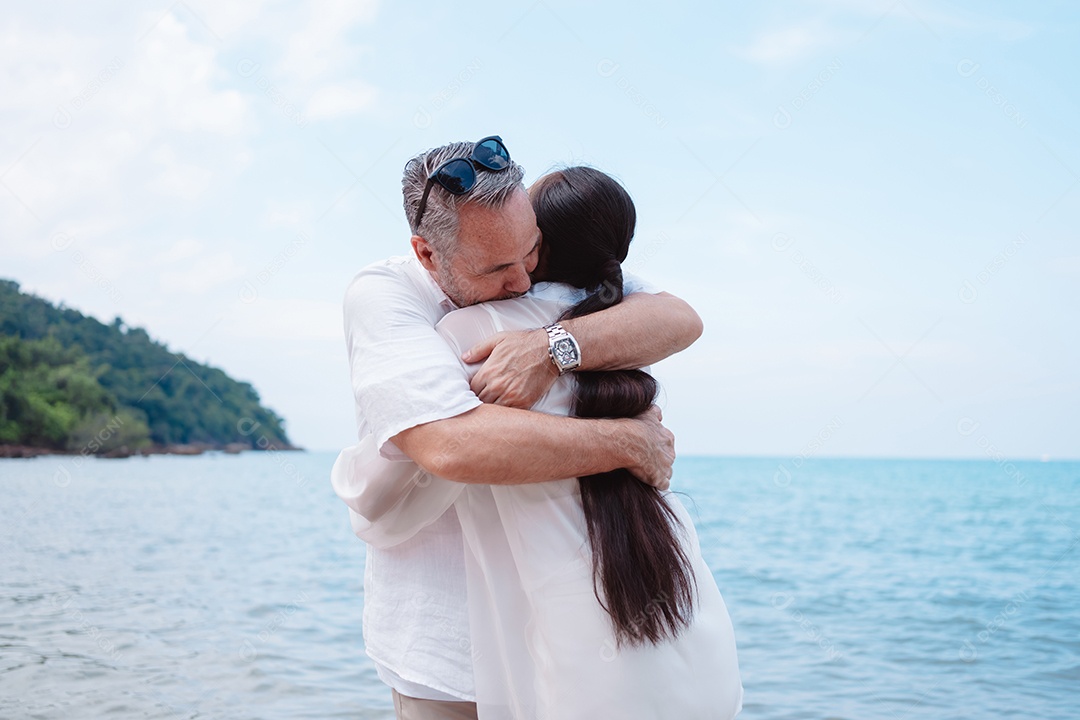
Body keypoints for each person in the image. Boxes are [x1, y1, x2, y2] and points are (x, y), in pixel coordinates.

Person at [336, 166, 743, 720]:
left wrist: (552, 347)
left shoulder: (550, 296)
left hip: (554, 636)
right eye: (497, 268)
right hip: (450, 646)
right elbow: (451, 444)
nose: (522, 281)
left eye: (529, 254)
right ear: (428, 254)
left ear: (540, 235)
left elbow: (681, 318)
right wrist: (630, 441)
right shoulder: (388, 294)